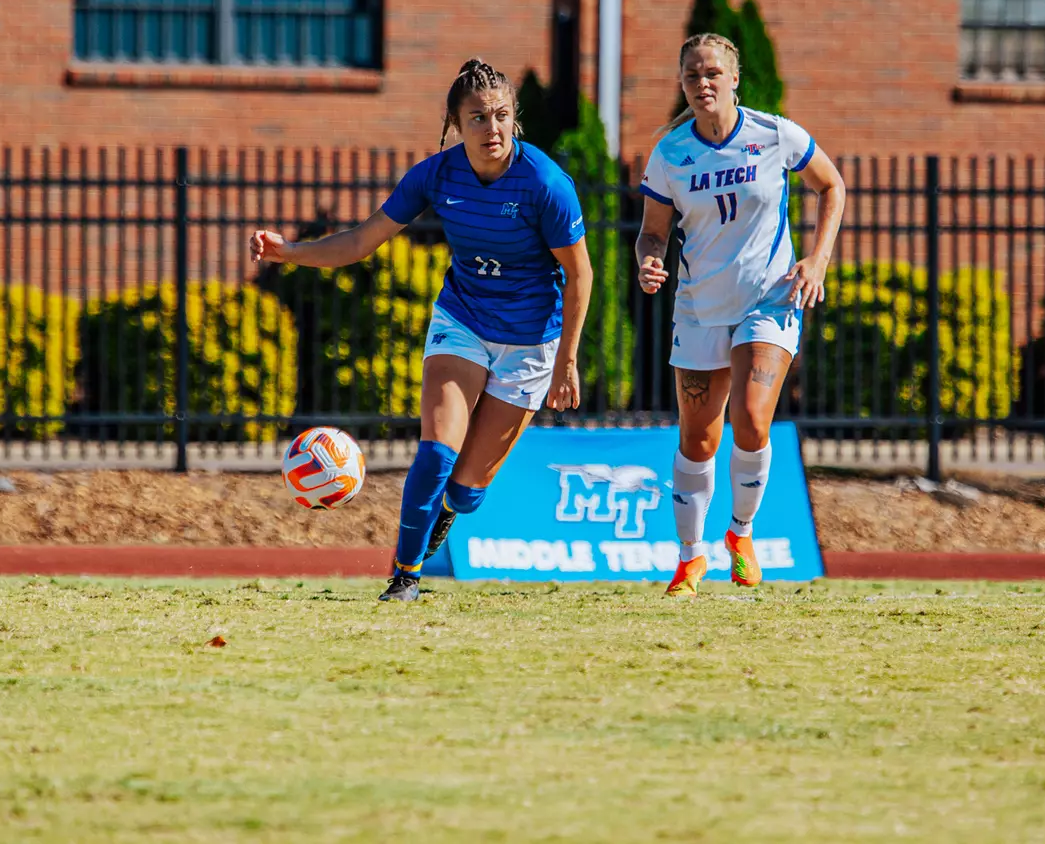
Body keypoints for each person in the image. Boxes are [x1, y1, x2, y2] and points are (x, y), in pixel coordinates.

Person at [251, 59, 593, 601]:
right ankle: (404, 577)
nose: (492, 128)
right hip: (463, 323)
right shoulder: (437, 174)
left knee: (465, 491)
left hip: (531, 343)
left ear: (515, 120)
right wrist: (287, 252)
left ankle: (448, 514)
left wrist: (567, 361)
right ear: (456, 125)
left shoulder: (546, 184)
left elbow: (580, 274)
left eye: (502, 115)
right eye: (477, 118)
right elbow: (361, 241)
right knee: (435, 453)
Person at [636, 33, 846, 596]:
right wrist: (650, 263)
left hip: (767, 301)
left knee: (752, 420)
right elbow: (652, 235)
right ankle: (689, 558)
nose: (701, 84)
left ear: (734, 79)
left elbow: (832, 186)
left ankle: (742, 534)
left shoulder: (775, 134)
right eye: (691, 76)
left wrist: (817, 260)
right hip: (700, 307)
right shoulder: (670, 154)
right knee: (697, 442)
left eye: (712, 74)